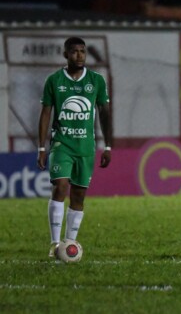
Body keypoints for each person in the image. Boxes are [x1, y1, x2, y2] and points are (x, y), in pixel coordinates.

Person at [37, 37, 112, 259]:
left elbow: (105, 113)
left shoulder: (96, 81)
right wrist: (41, 148)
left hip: (85, 147)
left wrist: (107, 145)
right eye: (74, 51)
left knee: (78, 196)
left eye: (82, 51)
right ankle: (54, 243)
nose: (79, 55)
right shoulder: (54, 80)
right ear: (65, 54)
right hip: (62, 145)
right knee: (60, 187)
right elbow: (45, 114)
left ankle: (70, 243)